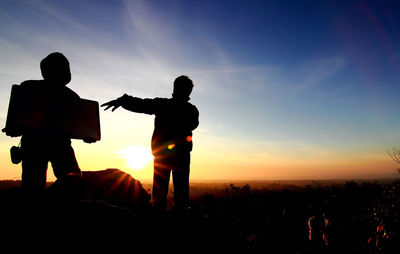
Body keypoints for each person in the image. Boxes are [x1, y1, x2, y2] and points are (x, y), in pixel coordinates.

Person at [102, 75, 199, 213]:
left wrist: (123, 100)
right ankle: (177, 220)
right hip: (180, 156)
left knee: (163, 193)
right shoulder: (190, 110)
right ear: (188, 92)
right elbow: (193, 125)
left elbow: (142, 104)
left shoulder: (165, 105)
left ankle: (160, 219)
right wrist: (123, 100)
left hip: (164, 155)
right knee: (180, 193)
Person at [5, 52, 90, 196]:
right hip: (36, 145)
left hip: (58, 146)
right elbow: (20, 113)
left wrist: (86, 135)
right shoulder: (29, 88)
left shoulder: (72, 97)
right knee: (33, 188)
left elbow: (77, 125)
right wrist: (15, 127)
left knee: (73, 183)